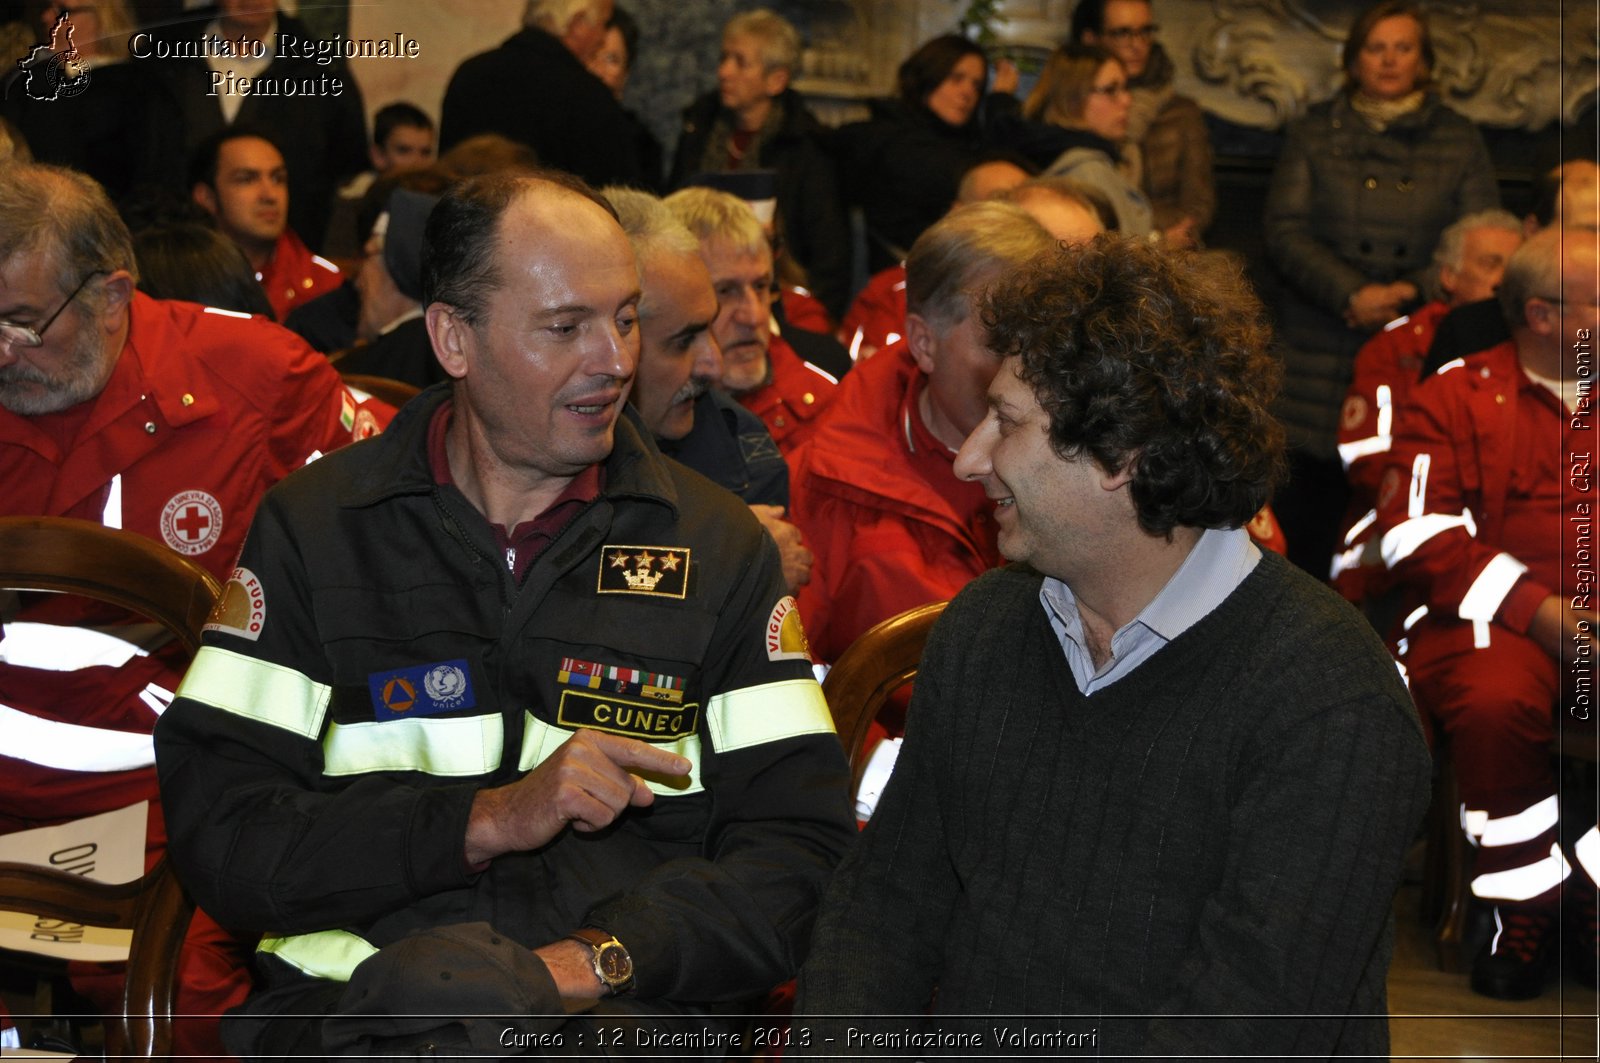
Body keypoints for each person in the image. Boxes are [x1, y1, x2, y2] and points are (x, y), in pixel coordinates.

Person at [153, 170, 856, 1059]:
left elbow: (802, 853)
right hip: (351, 1018)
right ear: (453, 337)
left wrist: (589, 961)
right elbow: (223, 829)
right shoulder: (319, 531)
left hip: (618, 1023)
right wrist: (483, 820)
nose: (615, 358)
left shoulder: (714, 550)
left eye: (627, 317)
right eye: (566, 327)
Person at [794, 234, 1431, 1057]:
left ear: (1123, 456)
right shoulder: (988, 624)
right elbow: (883, 909)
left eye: (1008, 422)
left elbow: (1242, 1028)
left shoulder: (1332, 702)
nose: (969, 456)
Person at [0, 161, 390, 1058]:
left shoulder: (251, 377)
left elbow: (405, 496)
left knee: (185, 998)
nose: (3, 352)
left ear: (112, 293)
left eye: (23, 323)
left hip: (158, 801)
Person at [1377, 226, 1600, 1000]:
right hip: (1492, 621)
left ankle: (1593, 894)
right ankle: (1522, 909)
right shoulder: (1455, 394)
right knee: (1499, 701)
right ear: (1543, 316)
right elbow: (1414, 532)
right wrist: (1538, 610)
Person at [1263, 0, 1498, 577]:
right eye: (1376, 47)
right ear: (1353, 59)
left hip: (1420, 340)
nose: (1389, 60)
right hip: (1320, 337)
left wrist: (1403, 294)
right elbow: (1284, 229)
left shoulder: (1459, 138)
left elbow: (1479, 236)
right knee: (1308, 504)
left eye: (1404, 48)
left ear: (1423, 60)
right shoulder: (1314, 131)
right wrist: (1350, 294)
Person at [792, 199, 1074, 666]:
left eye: (1045, 338)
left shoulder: (1098, 465)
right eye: (1003, 342)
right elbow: (801, 684)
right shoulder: (825, 482)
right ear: (924, 342)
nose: (1027, 365)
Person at [606, 185, 811, 593]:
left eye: (762, 286)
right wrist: (728, 560)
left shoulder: (744, 447)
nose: (712, 364)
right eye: (683, 341)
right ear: (614, 337)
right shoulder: (540, 457)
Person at [1331, 209, 1522, 599]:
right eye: (1490, 264)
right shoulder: (1396, 346)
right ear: (1448, 277)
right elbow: (1368, 459)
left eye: (1514, 268)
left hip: (1502, 540)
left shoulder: (1532, 349)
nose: (1503, 280)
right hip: (1387, 533)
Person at [669, 9, 850, 321]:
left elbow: (830, 257)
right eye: (724, 58)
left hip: (776, 301)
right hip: (695, 291)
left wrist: (813, 322)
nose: (724, 72)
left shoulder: (806, 147)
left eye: (740, 62)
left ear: (776, 80)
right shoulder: (698, 129)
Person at [150, 0, 368, 253]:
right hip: (170, 250)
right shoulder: (160, 55)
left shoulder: (322, 68)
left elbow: (346, 168)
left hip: (281, 260)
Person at [665, 185, 838, 455]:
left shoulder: (830, 401)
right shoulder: (633, 417)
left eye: (760, 286)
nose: (755, 316)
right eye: (725, 291)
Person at [834, 34, 1018, 272]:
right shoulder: (891, 137)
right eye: (956, 78)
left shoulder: (965, 143)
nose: (967, 93)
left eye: (976, 85)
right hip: (903, 280)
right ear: (929, 77)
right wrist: (1001, 106)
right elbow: (979, 179)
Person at [839, 156, 1032, 361]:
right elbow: (856, 378)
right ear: (958, 212)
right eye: (997, 205)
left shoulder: (1040, 303)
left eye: (1023, 213)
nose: (1012, 224)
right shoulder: (890, 294)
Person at [439, 0, 641, 188]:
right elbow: (615, 193)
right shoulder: (589, 97)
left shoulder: (470, 73)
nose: (601, 38)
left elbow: (444, 175)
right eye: (603, 24)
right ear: (578, 24)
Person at [1071, 0, 1214, 248]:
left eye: (1145, 31)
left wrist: (1154, 238)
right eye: (1122, 33)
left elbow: (1198, 205)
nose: (1137, 45)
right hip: (1091, 245)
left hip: (1169, 250)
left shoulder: (1181, 113)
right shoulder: (1074, 108)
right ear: (1091, 39)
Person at [189, 128, 342, 321]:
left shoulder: (326, 285)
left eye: (278, 179)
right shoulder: (179, 283)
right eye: (247, 179)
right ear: (207, 197)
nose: (269, 195)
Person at [1020, 43, 1155, 238]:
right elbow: (1124, 257)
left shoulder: (1049, 150)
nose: (1126, 100)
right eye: (1110, 90)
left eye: (1125, 88)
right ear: (1072, 98)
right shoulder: (1086, 169)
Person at [322, 101, 438, 260]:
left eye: (425, 152)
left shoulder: (440, 197)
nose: (416, 163)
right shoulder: (354, 198)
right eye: (403, 151)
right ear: (378, 156)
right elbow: (339, 262)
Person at [583, 6, 664, 190]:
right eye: (593, 54)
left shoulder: (642, 147)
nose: (599, 69)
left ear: (626, 74)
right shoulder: (559, 130)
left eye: (612, 59)